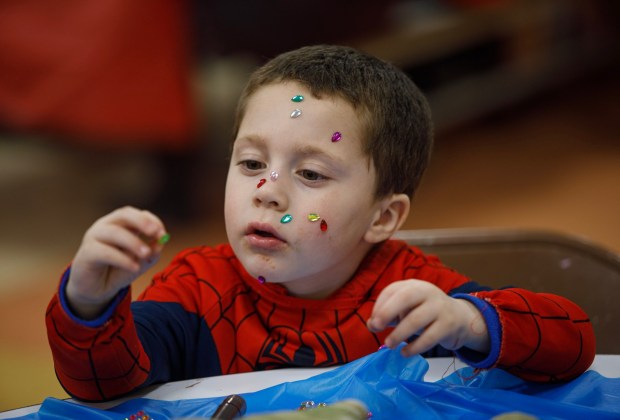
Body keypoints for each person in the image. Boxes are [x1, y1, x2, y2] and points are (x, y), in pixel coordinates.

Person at [46, 45, 595, 402]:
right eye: (252, 164)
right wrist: (89, 302)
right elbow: (105, 385)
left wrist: (469, 322)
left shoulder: (413, 291)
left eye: (309, 173)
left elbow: (574, 342)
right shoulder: (196, 289)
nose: (268, 192)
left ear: (383, 217)